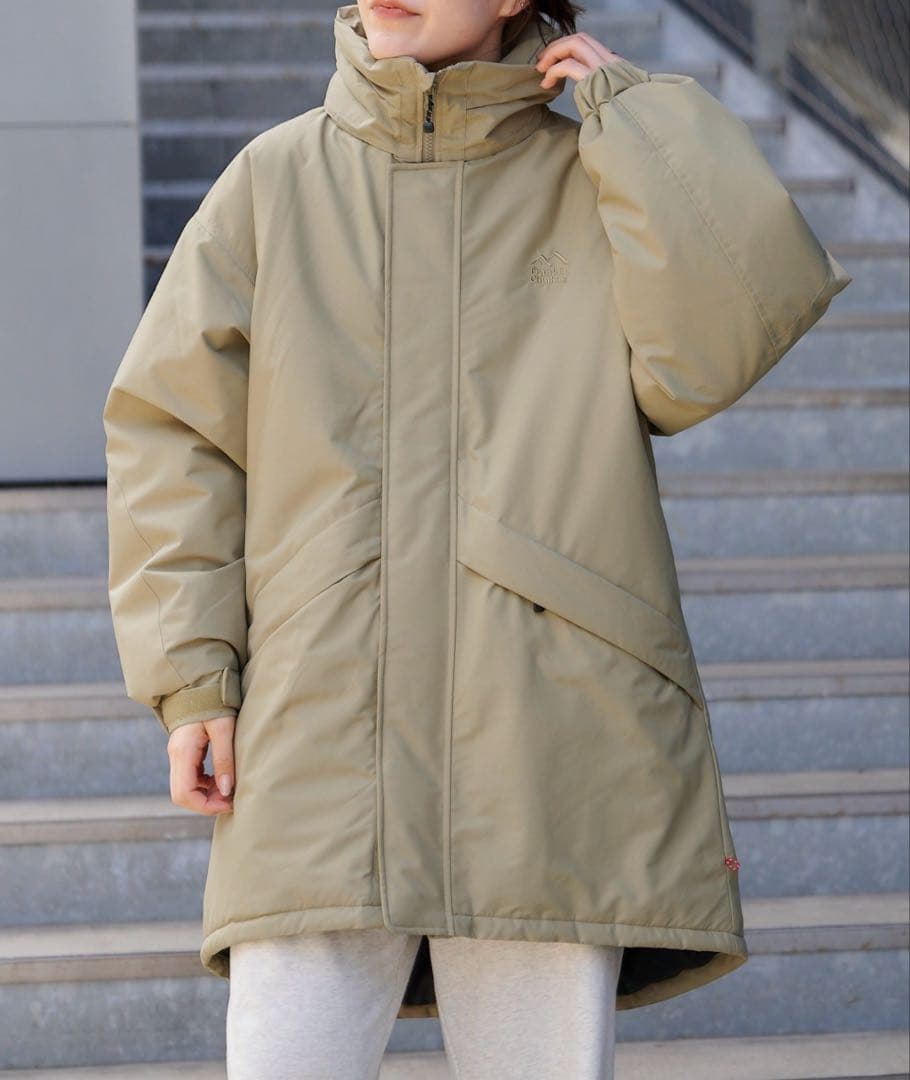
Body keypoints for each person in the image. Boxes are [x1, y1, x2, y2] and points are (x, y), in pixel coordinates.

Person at [102, 1, 852, 1077]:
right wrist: (192, 678)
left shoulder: (596, 176)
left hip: (543, 732)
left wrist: (647, 130)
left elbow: (717, 347)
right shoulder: (275, 182)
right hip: (316, 725)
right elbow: (175, 436)